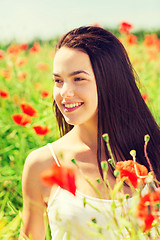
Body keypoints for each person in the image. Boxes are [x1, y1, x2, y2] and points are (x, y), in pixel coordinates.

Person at [19, 26, 160, 240]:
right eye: (58, 80)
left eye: (78, 79)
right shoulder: (42, 164)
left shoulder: (152, 152)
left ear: (110, 81)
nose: (64, 93)